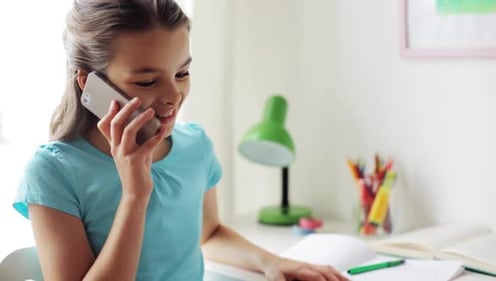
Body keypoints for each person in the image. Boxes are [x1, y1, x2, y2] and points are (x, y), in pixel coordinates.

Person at [12, 1, 349, 280]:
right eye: (147, 82)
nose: (174, 95)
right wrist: (135, 195)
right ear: (89, 83)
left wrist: (272, 263)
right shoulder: (54, 172)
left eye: (182, 73)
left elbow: (209, 234)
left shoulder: (194, 145)